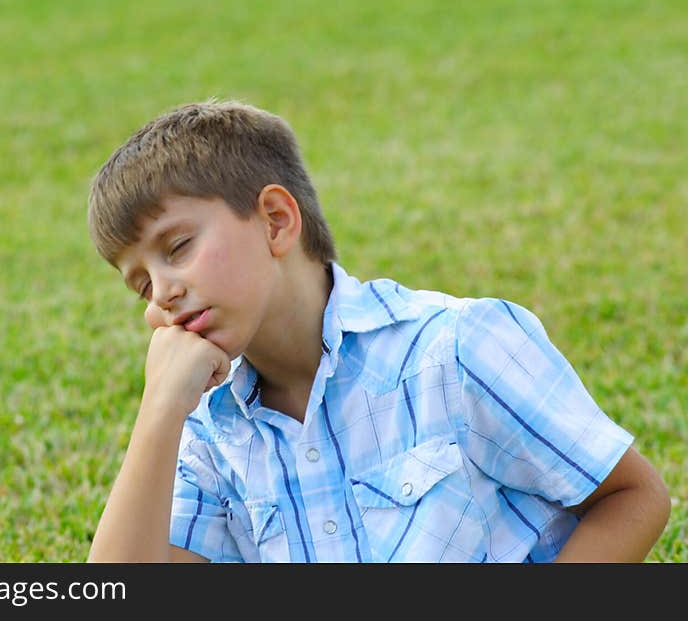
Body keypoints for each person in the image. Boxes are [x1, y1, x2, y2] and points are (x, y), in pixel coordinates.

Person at [85, 100, 670, 562]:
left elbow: (632, 497)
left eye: (178, 247)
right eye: (140, 285)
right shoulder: (212, 435)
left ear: (275, 220)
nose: (161, 293)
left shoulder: (456, 347)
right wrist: (161, 410)